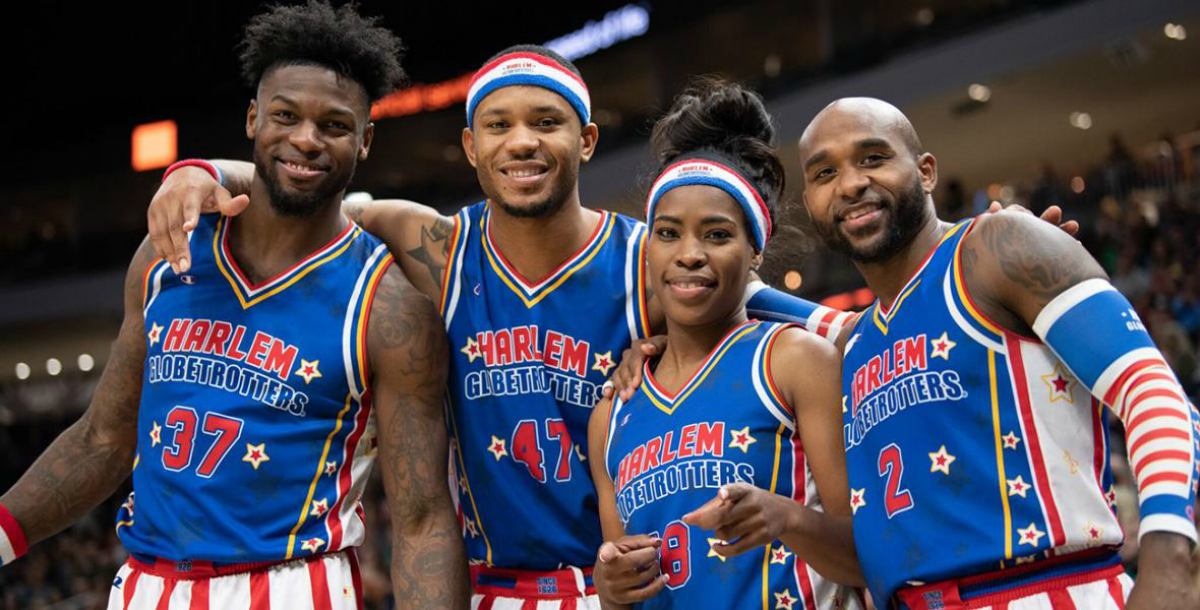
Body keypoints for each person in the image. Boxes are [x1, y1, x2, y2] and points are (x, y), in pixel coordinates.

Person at [143, 45, 854, 609]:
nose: (522, 142)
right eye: (500, 125)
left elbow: (814, 322)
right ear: (471, 145)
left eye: (545, 123)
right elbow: (303, 179)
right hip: (494, 589)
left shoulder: (650, 255)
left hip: (622, 586)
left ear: (586, 140)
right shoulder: (436, 248)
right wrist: (200, 169)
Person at [0, 3, 467, 608]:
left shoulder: (388, 309)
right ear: (252, 119)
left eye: (334, 125)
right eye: (285, 115)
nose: (306, 138)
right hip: (148, 585)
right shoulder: (168, 253)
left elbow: (421, 519)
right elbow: (102, 441)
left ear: (366, 140)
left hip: (297, 585)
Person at [797, 97, 1200, 609]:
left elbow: (1154, 392)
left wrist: (1169, 559)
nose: (851, 183)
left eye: (873, 158)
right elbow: (758, 303)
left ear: (925, 173)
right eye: (825, 172)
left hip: (1049, 587)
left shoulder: (1000, 247)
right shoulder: (852, 341)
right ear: (810, 202)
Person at [588, 79, 863, 609]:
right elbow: (623, 579)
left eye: (716, 235)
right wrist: (610, 592)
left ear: (755, 249)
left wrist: (786, 517)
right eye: (668, 234)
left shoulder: (795, 360)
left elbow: (869, 554)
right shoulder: (613, 415)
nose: (689, 253)